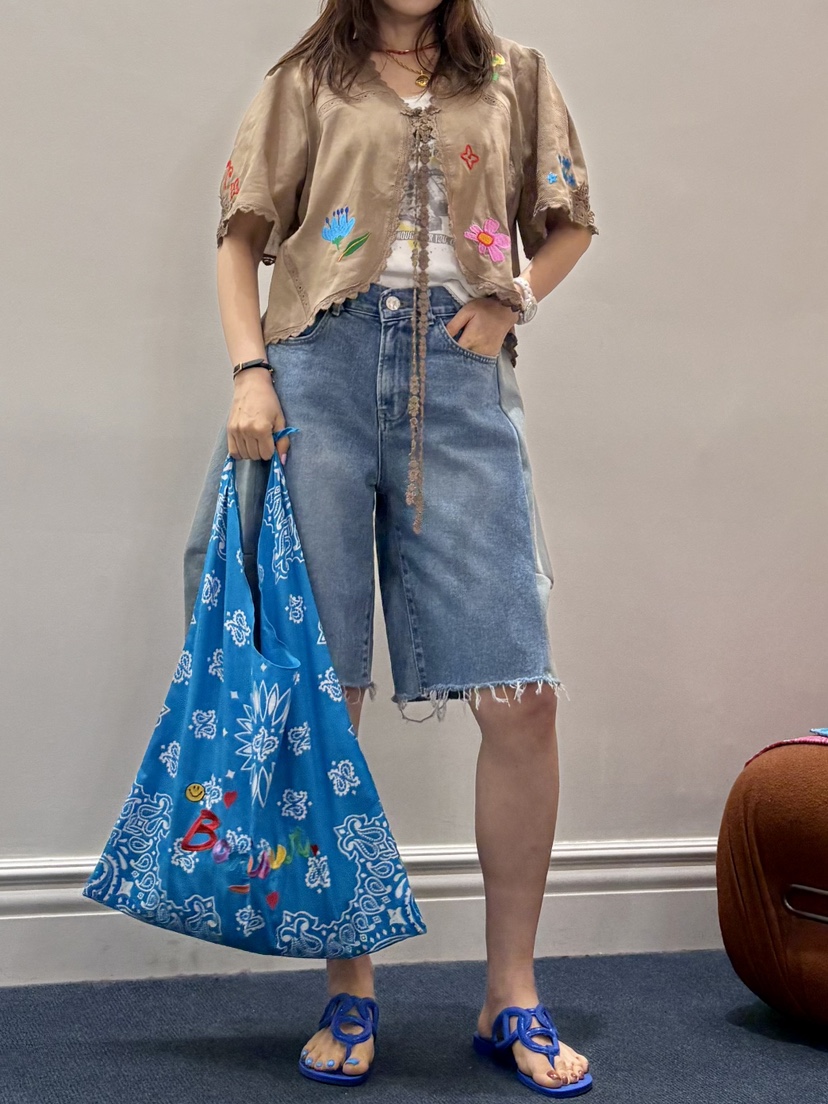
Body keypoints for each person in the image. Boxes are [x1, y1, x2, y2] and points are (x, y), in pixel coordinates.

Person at [187, 0, 597, 1094]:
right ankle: (350, 985)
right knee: (332, 695)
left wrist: (511, 304)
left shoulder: (513, 73)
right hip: (315, 368)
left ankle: (511, 993)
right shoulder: (307, 78)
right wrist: (251, 373)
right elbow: (239, 238)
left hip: (459, 377)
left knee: (522, 696)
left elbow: (569, 220)